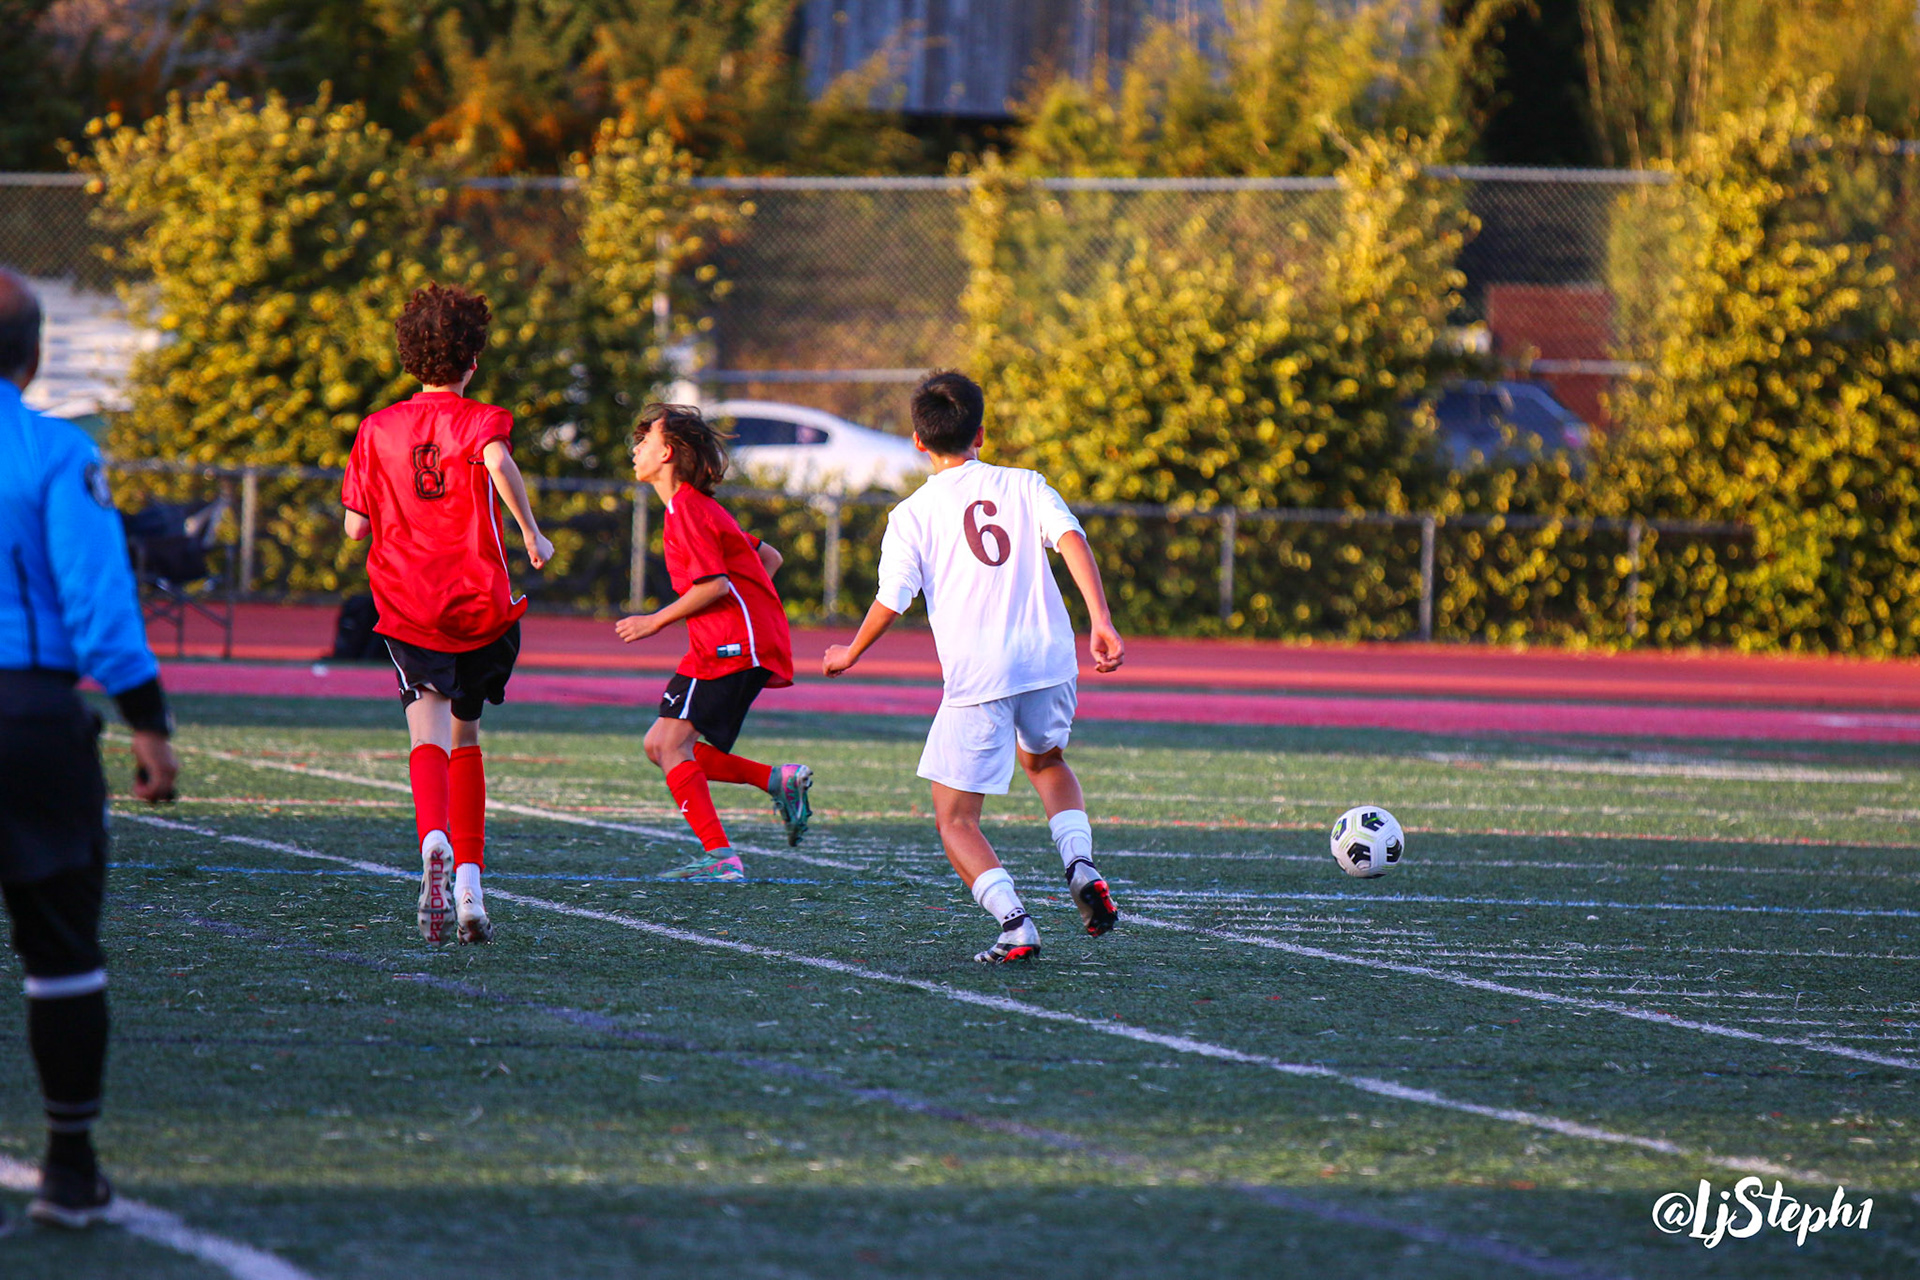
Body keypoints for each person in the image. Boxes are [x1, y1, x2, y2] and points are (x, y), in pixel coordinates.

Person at [823, 370, 1123, 962]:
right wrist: (1101, 620)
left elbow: (893, 597)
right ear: (980, 433)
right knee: (1046, 762)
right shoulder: (1024, 483)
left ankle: (1015, 923)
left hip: (981, 675)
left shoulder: (911, 515)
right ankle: (1080, 864)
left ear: (918, 440)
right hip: (1050, 658)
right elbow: (1071, 539)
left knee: (956, 819)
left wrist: (851, 652)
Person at [0, 267, 179, 1230]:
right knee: (61, 954)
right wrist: (148, 722)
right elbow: (100, 606)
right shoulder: (57, 450)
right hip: (28, 719)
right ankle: (70, 1169)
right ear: (33, 358)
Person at [341, 284, 552, 944]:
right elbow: (497, 460)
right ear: (473, 360)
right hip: (479, 604)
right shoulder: (482, 419)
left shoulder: (376, 430)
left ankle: (432, 838)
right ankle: (468, 888)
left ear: (409, 357)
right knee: (468, 737)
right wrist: (532, 533)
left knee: (425, 736)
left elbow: (354, 527)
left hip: (410, 605)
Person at [614, 404, 810, 880]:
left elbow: (715, 586)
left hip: (731, 644)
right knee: (660, 744)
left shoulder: (686, 509)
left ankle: (721, 858)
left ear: (667, 453)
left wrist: (655, 621)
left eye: (645, 440)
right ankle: (775, 780)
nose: (636, 449)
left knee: (671, 745)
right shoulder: (696, 508)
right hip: (724, 641)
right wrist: (749, 608)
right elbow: (769, 557)